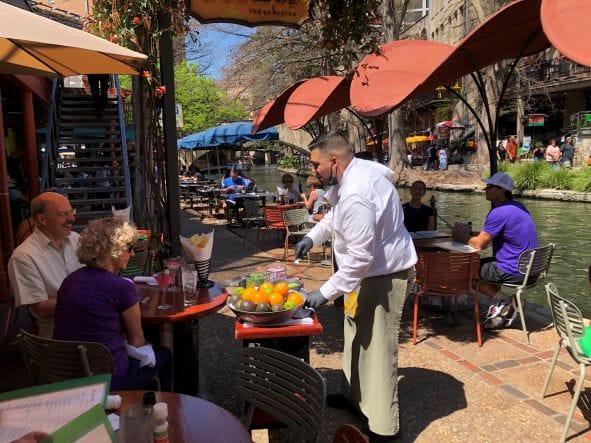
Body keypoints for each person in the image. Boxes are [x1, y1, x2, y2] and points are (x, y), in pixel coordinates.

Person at [294, 130, 416, 440]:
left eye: (316, 164)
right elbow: (335, 217)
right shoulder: (350, 177)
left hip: (381, 275)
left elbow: (360, 259)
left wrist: (323, 292)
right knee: (354, 336)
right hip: (364, 276)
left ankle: (384, 428)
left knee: (377, 348)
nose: (313, 171)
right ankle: (354, 399)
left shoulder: (359, 192)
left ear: (334, 162)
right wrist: (312, 237)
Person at [53, 217, 172, 391]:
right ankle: (166, 411)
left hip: (68, 374)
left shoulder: (70, 281)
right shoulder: (121, 286)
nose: (132, 254)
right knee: (165, 355)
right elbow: (137, 341)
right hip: (109, 378)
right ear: (115, 250)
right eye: (129, 248)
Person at [452, 172, 538, 329]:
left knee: (464, 272)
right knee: (481, 265)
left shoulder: (498, 212)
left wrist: (462, 236)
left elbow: (479, 245)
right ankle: (501, 304)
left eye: (490, 187)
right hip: (532, 270)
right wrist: (471, 234)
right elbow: (492, 233)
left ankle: (505, 301)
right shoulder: (519, 207)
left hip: (514, 270)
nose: (486, 189)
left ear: (501, 190)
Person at [8, 192, 82, 338]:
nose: (71, 218)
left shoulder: (76, 239)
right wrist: (86, 294)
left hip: (91, 316)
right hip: (58, 332)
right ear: (42, 219)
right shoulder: (23, 257)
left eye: (71, 212)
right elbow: (41, 310)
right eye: (63, 214)